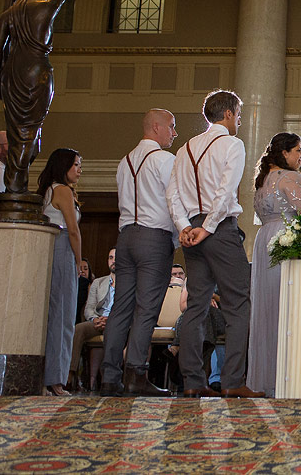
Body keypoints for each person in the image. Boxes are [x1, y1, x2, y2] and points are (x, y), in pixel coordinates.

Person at [167, 90, 263, 398]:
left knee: (196, 307)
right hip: (218, 230)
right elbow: (225, 194)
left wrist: (185, 227)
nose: (239, 120)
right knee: (238, 304)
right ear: (230, 113)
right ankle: (233, 381)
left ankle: (193, 382)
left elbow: (172, 195)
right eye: (238, 114)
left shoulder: (184, 149)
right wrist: (207, 229)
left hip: (192, 231)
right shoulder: (232, 144)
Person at [101, 108, 178, 397]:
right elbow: (174, 201)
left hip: (125, 237)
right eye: (171, 127)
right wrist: (179, 234)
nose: (174, 133)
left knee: (121, 307)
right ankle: (136, 374)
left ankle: (109, 377)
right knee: (146, 309)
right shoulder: (163, 159)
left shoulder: (125, 162)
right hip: (153, 237)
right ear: (156, 128)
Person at [247, 131, 301, 397]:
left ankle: (268, 376)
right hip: (288, 242)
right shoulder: (290, 178)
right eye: (298, 151)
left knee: (270, 307)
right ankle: (295, 375)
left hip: (265, 240)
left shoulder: (264, 180)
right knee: (292, 307)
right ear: (284, 152)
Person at [0, 0, 69, 193]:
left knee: (18, 131)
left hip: (12, 72)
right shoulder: (46, 8)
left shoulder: (9, 14)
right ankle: (16, 185)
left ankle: (16, 181)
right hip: (37, 72)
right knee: (29, 131)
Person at [38, 148, 89, 396]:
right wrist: (80, 261)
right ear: (64, 165)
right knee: (63, 314)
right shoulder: (62, 190)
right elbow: (72, 230)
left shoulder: (48, 190)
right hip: (62, 248)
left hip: (51, 249)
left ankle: (49, 377)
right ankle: (55, 379)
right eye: (76, 165)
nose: (80, 169)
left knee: (54, 314)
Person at [70, 247, 115, 391]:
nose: (113, 261)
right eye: (110, 258)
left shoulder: (130, 282)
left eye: (116, 257)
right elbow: (89, 308)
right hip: (97, 321)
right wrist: (95, 319)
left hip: (116, 322)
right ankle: (70, 375)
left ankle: (110, 379)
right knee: (78, 329)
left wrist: (110, 319)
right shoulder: (98, 282)